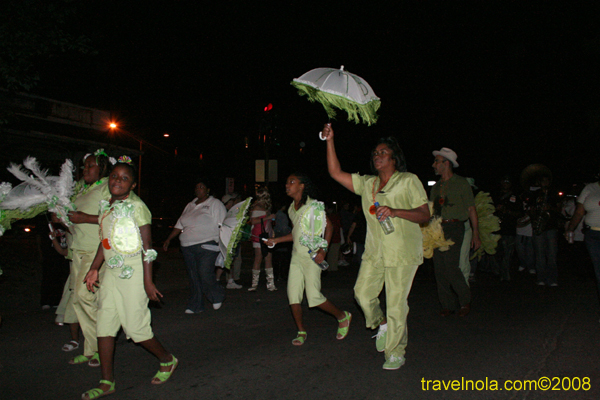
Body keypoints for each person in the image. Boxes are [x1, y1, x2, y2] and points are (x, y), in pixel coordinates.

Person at [324, 124, 430, 371]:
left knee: (396, 303)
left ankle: (395, 352)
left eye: (383, 152)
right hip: (374, 251)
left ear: (394, 158)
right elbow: (335, 172)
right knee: (361, 293)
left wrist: (395, 211)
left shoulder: (408, 181)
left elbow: (424, 213)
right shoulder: (368, 184)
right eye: (375, 153)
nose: (377, 156)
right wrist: (330, 140)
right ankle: (380, 322)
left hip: (402, 252)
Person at [82, 157, 177, 399]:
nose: (118, 181)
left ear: (132, 185)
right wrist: (94, 268)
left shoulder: (137, 207)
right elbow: (106, 241)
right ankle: (106, 382)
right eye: (115, 176)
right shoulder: (106, 206)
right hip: (112, 273)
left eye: (125, 178)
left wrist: (147, 281)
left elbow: (147, 246)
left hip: (134, 272)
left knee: (136, 329)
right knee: (103, 325)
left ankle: (167, 359)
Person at [265, 172, 351, 346]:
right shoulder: (291, 208)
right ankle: (301, 331)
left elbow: (330, 227)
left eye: (292, 182)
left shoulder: (313, 205)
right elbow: (296, 235)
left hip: (312, 257)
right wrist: (276, 240)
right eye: (287, 182)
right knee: (293, 297)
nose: (287, 185)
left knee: (314, 298)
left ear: (302, 185)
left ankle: (342, 316)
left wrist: (323, 251)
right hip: (296, 257)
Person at [64, 149, 113, 367]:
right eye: (85, 166)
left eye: (91, 165)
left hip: (96, 251)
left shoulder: (107, 188)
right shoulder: (80, 188)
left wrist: (85, 218)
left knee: (85, 296)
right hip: (77, 249)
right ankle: (91, 349)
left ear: (102, 168)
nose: (86, 169)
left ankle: (103, 344)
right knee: (77, 299)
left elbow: (113, 217)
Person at [430, 147, 481, 317]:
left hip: (455, 227)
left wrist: (475, 234)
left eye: (436, 161)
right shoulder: (436, 187)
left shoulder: (461, 183)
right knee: (439, 268)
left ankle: (465, 300)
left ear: (446, 163)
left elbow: (471, 209)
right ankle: (447, 304)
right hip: (438, 228)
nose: (434, 165)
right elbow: (431, 211)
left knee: (451, 266)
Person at [163, 179, 226, 313]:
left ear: (208, 190)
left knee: (204, 273)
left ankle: (217, 294)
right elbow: (180, 224)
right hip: (187, 246)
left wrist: (224, 245)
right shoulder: (190, 205)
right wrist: (169, 239)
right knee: (193, 276)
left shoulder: (214, 203)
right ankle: (195, 305)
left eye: (202, 187)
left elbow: (223, 225)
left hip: (207, 244)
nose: (198, 189)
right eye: (196, 187)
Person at [566, 176, 600, 307]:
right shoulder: (590, 188)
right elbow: (579, 212)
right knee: (599, 273)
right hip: (593, 235)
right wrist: (571, 228)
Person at [526, 176, 560, 286]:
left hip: (551, 226)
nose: (545, 182)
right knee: (539, 253)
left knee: (552, 254)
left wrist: (549, 208)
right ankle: (541, 277)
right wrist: (534, 215)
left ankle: (552, 278)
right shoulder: (535, 194)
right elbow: (529, 209)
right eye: (543, 180)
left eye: (547, 180)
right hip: (539, 226)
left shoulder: (554, 194)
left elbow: (559, 209)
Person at [247, 187, 277, 291]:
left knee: (268, 258)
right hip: (259, 236)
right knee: (258, 258)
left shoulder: (265, 206)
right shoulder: (257, 206)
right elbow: (253, 221)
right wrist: (268, 217)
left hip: (266, 234)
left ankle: (270, 284)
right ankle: (254, 284)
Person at [220, 192, 244, 289]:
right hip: (229, 238)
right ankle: (230, 280)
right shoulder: (225, 212)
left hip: (229, 238)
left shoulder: (227, 211)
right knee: (230, 259)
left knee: (225, 260)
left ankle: (226, 280)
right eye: (231, 201)